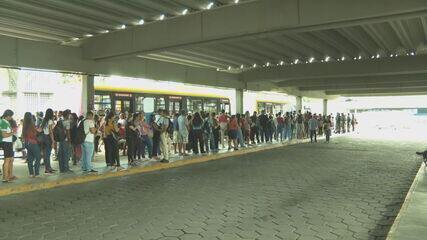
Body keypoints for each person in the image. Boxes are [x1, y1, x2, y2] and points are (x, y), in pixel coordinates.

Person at [22, 112, 42, 178]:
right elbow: (35, 134)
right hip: (33, 142)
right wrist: (39, 130)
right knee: (38, 157)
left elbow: (23, 135)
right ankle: (36, 173)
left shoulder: (24, 125)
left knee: (30, 158)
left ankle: (31, 173)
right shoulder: (32, 124)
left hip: (27, 143)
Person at [1, 110, 16, 182]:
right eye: (11, 116)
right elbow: (4, 135)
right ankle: (5, 178)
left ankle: (9, 175)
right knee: (7, 160)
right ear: (8, 116)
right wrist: (12, 133)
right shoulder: (3, 122)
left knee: (10, 159)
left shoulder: (6, 122)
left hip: (9, 143)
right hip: (6, 143)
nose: (11, 117)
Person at [41, 108, 56, 173]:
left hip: (44, 137)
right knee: (47, 153)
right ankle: (47, 168)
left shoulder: (44, 120)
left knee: (46, 153)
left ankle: (48, 167)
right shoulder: (50, 121)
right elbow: (50, 131)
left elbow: (41, 129)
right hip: (48, 137)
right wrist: (53, 140)